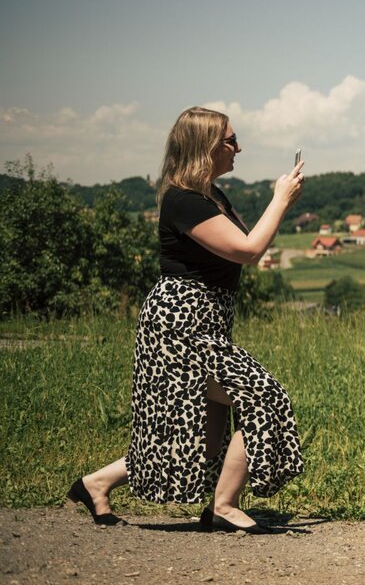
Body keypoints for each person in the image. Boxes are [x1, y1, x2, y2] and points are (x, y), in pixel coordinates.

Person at [68, 106, 306, 534]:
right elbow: (249, 251)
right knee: (262, 397)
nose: (239, 147)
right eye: (231, 140)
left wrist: (280, 203)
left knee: (201, 435)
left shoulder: (212, 196)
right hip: (180, 322)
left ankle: (96, 483)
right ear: (206, 147)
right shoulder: (184, 201)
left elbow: (245, 246)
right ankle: (224, 506)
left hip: (206, 322)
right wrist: (280, 199)